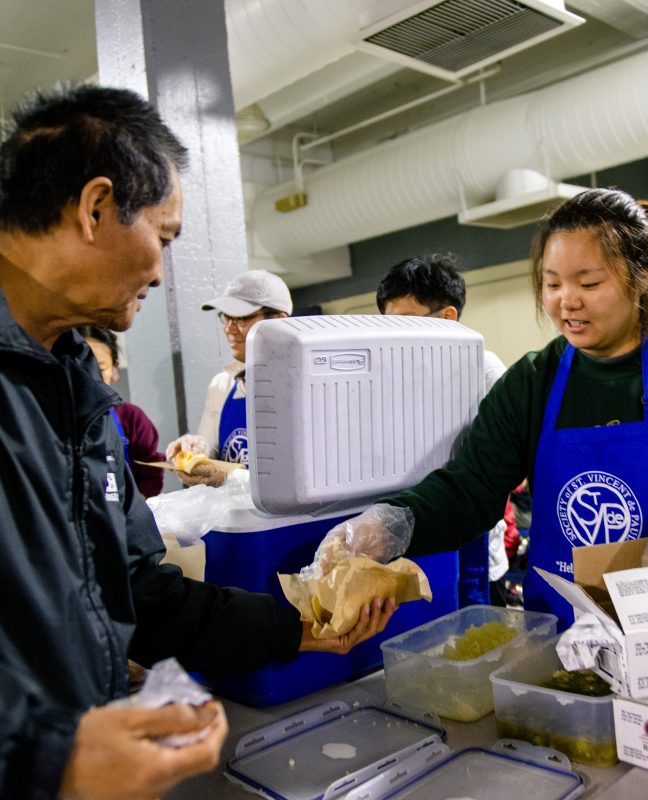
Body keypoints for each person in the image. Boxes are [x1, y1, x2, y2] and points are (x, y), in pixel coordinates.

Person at [0, 84, 396, 800]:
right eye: (166, 237)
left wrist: (298, 627)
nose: (160, 271)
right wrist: (46, 756)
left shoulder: (77, 397)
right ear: (94, 208)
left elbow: (140, 594)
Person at [315, 187, 648, 629]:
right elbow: (471, 487)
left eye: (589, 283)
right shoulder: (534, 380)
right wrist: (389, 524)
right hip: (563, 635)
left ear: (642, 276)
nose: (567, 301)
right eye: (552, 283)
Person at [376, 253, 513, 606]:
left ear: (448, 318)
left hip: (472, 540)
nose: (394, 338)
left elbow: (511, 467)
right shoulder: (389, 375)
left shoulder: (484, 369)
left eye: (404, 323)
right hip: (411, 531)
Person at [165, 269, 291, 487]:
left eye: (241, 318)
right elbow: (210, 447)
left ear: (278, 320)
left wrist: (229, 477)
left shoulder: (304, 386)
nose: (229, 329)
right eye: (226, 317)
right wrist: (195, 448)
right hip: (236, 519)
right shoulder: (222, 385)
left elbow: (300, 481)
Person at [77, 324, 165, 498]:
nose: (91, 377)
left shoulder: (132, 418)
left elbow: (151, 474)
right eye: (82, 366)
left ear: (115, 371)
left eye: (100, 368)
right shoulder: (51, 420)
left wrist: (133, 513)